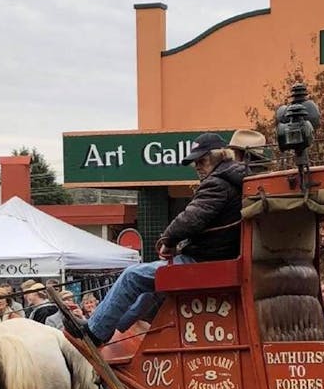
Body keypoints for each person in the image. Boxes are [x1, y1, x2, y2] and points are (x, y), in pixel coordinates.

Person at [67, 132, 246, 346]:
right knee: (152, 284)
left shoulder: (217, 184)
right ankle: (117, 328)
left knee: (132, 275)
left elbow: (189, 219)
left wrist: (167, 240)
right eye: (195, 162)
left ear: (220, 156)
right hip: (218, 260)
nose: (197, 166)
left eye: (202, 160)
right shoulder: (235, 182)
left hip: (204, 263)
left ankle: (95, 332)